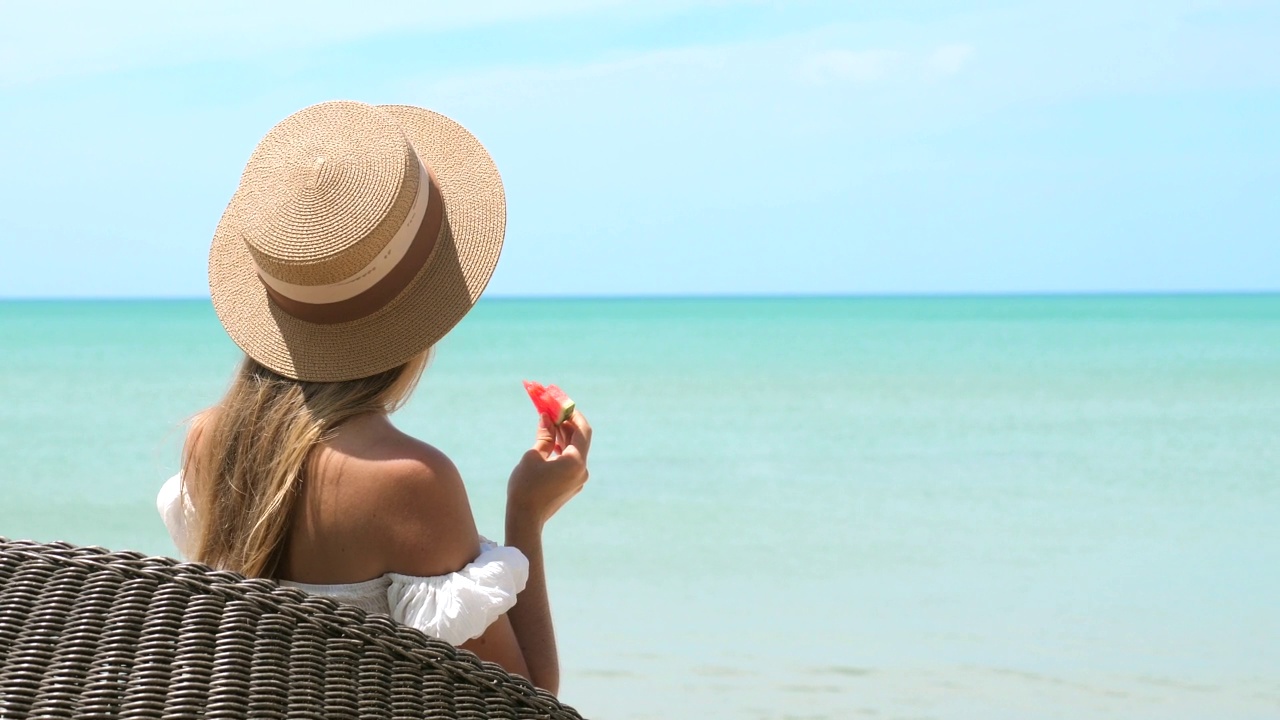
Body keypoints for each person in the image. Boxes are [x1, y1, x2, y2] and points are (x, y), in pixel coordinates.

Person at [156, 101, 590, 696]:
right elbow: (525, 701)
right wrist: (527, 515)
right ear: (422, 318)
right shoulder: (409, 481)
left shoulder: (208, 441)